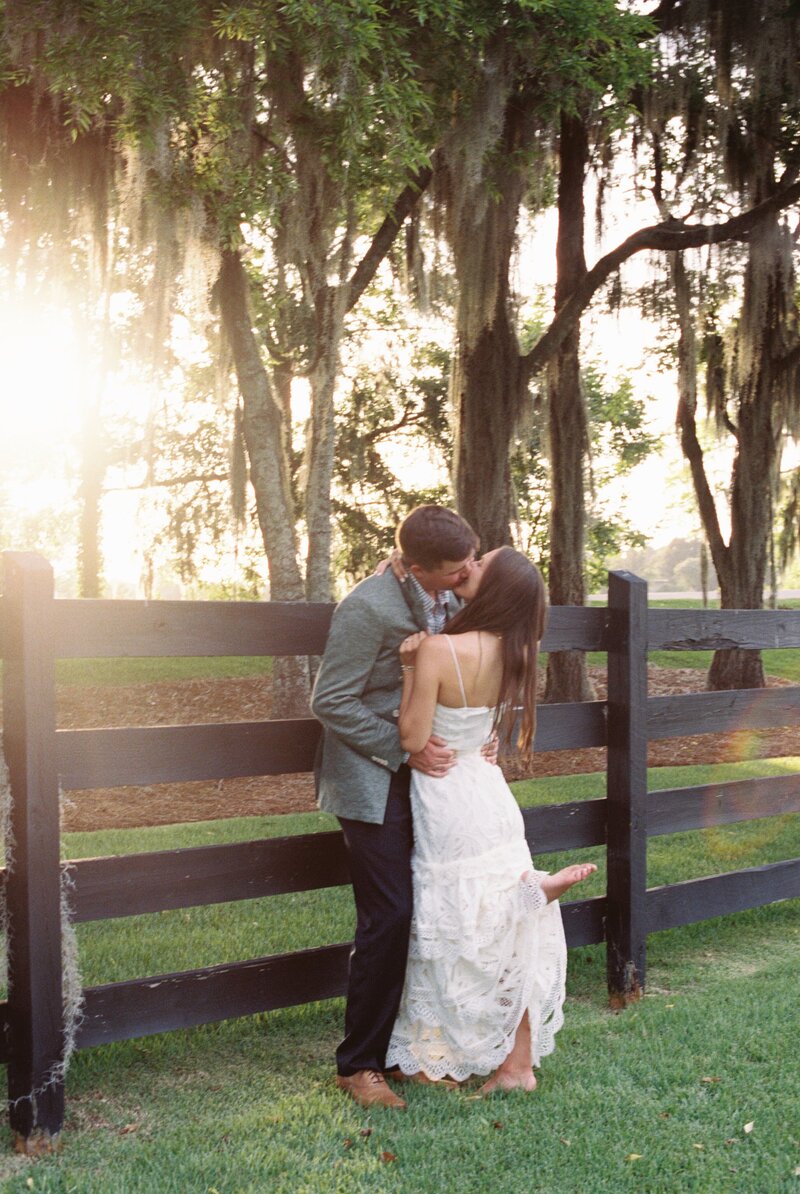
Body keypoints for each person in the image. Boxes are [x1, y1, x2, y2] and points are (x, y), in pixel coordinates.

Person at [385, 546, 597, 1093]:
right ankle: (516, 1066)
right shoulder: (520, 651)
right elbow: (488, 731)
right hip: (493, 797)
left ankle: (434, 1059)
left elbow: (412, 737)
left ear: (495, 587)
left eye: (481, 565)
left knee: (448, 923)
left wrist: (410, 667)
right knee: (506, 925)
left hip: (447, 795)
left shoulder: (437, 650)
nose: (468, 567)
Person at [311, 505, 487, 1110]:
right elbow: (331, 700)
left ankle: (407, 1052)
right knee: (388, 916)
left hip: (435, 777)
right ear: (415, 568)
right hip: (372, 777)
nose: (468, 572)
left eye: (471, 558)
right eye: (456, 567)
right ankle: (357, 1064)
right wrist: (404, 748)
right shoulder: (367, 607)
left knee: (433, 906)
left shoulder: (458, 599)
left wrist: (472, 732)